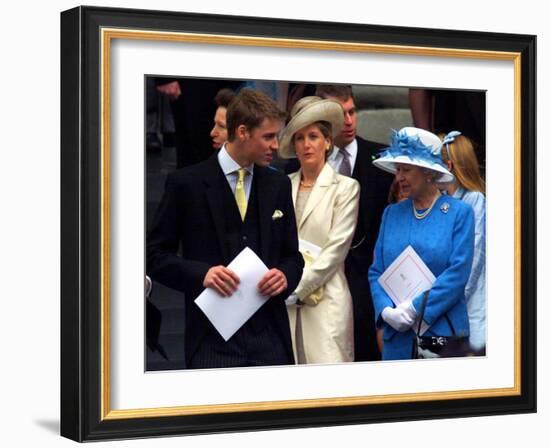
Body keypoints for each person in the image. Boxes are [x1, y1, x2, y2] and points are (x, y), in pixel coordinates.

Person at [147, 88, 304, 369]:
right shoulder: (186, 184)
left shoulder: (278, 184)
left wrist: (285, 276)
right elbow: (154, 255)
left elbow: (293, 257)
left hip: (272, 340)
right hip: (210, 340)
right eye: (268, 137)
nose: (276, 146)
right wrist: (202, 274)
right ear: (242, 132)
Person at [368, 127, 475, 360]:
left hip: (442, 336)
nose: (399, 178)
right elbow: (376, 271)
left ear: (428, 172)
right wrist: (386, 311)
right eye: (397, 170)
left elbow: (458, 274)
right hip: (397, 337)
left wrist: (416, 308)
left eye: (406, 169)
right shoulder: (391, 213)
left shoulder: (459, 213)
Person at [315, 85, 394, 362]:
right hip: (322, 286)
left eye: (352, 112)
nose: (348, 122)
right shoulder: (304, 167)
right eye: (340, 114)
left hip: (371, 286)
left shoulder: (384, 161)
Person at [279, 96, 359, 364]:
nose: (306, 144)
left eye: (313, 136)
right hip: (284, 303)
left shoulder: (346, 188)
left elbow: (336, 249)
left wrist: (296, 286)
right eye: (299, 138)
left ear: (327, 142)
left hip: (326, 302)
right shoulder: (281, 185)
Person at [440, 131, 486, 354]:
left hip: (468, 301)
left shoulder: (474, 199)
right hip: (446, 302)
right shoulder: (442, 203)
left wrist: (448, 299)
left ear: (447, 166)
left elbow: (474, 257)